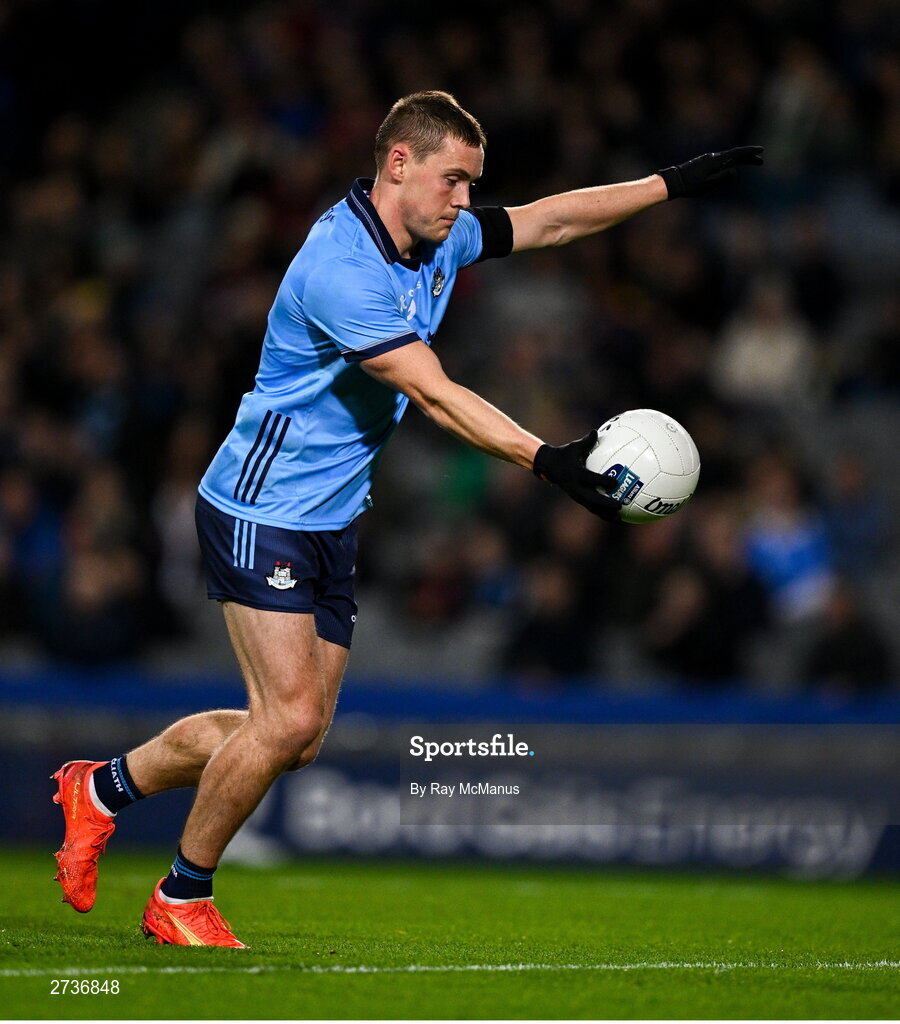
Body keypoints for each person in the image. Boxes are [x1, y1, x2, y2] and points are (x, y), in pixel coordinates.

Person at [51, 91, 762, 946]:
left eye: (473, 186)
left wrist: (670, 185)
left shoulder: (438, 236)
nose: (466, 203)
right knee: (286, 721)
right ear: (400, 164)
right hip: (260, 505)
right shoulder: (340, 267)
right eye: (454, 181)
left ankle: (100, 791)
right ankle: (180, 897)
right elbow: (433, 393)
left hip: (331, 517)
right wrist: (550, 460)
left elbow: (551, 223)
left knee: (294, 738)